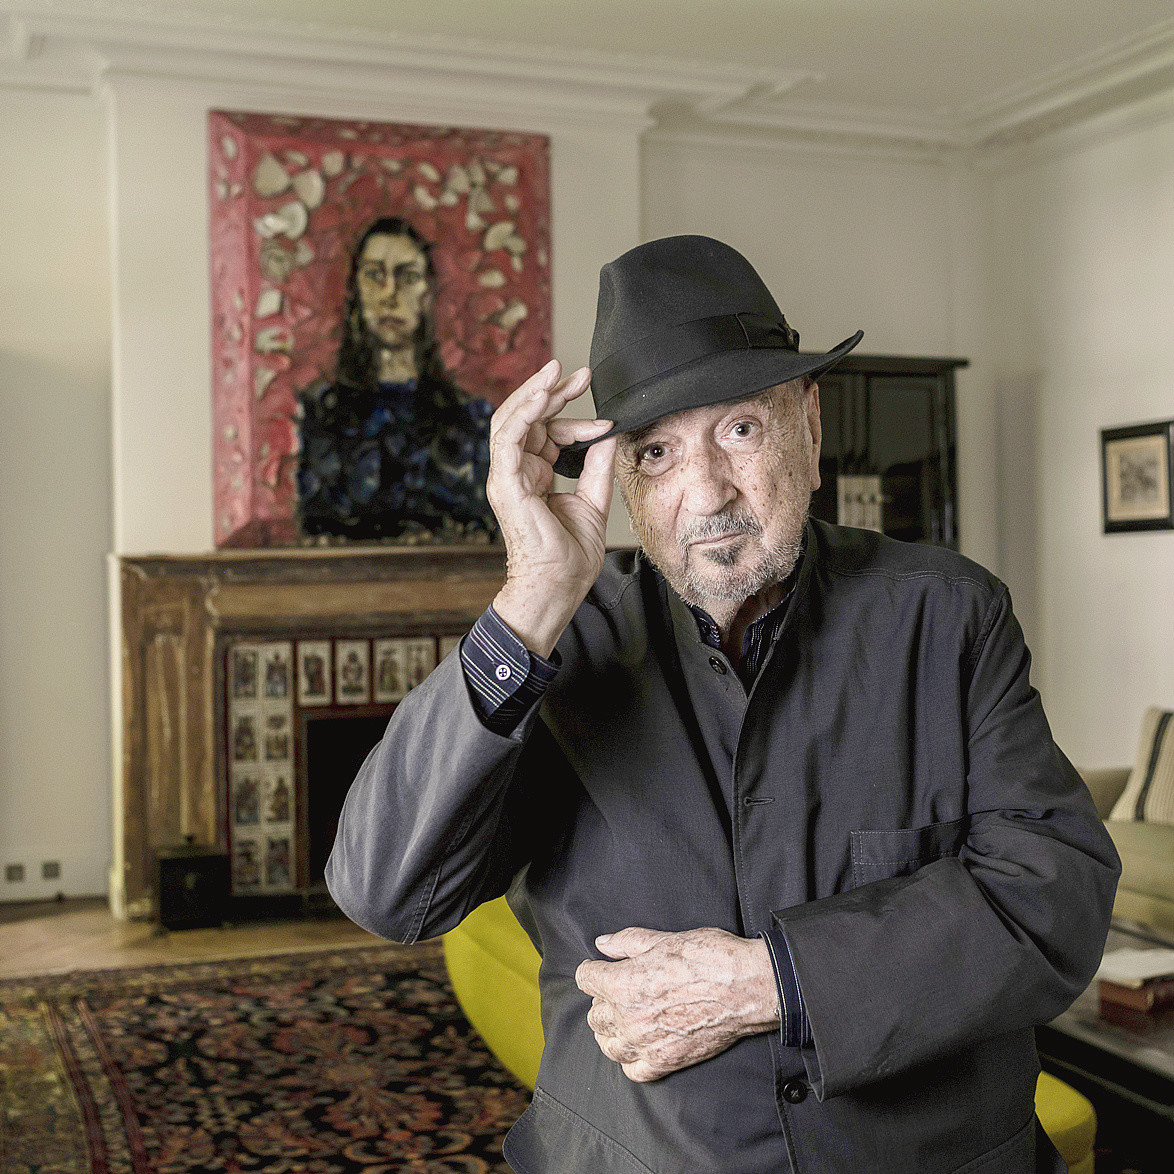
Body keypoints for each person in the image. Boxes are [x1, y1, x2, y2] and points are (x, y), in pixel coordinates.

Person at [326, 235, 1120, 1173]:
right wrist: (531, 595)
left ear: (809, 428)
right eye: (656, 451)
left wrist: (771, 980)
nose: (706, 493)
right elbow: (389, 894)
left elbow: (1054, 897)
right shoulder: (560, 643)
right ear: (620, 480)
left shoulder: (948, 617)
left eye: (740, 429)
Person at [297, 216, 498, 541]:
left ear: (427, 294)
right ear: (356, 290)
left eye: (408, 277)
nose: (390, 293)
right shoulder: (323, 415)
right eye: (374, 275)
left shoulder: (469, 420)